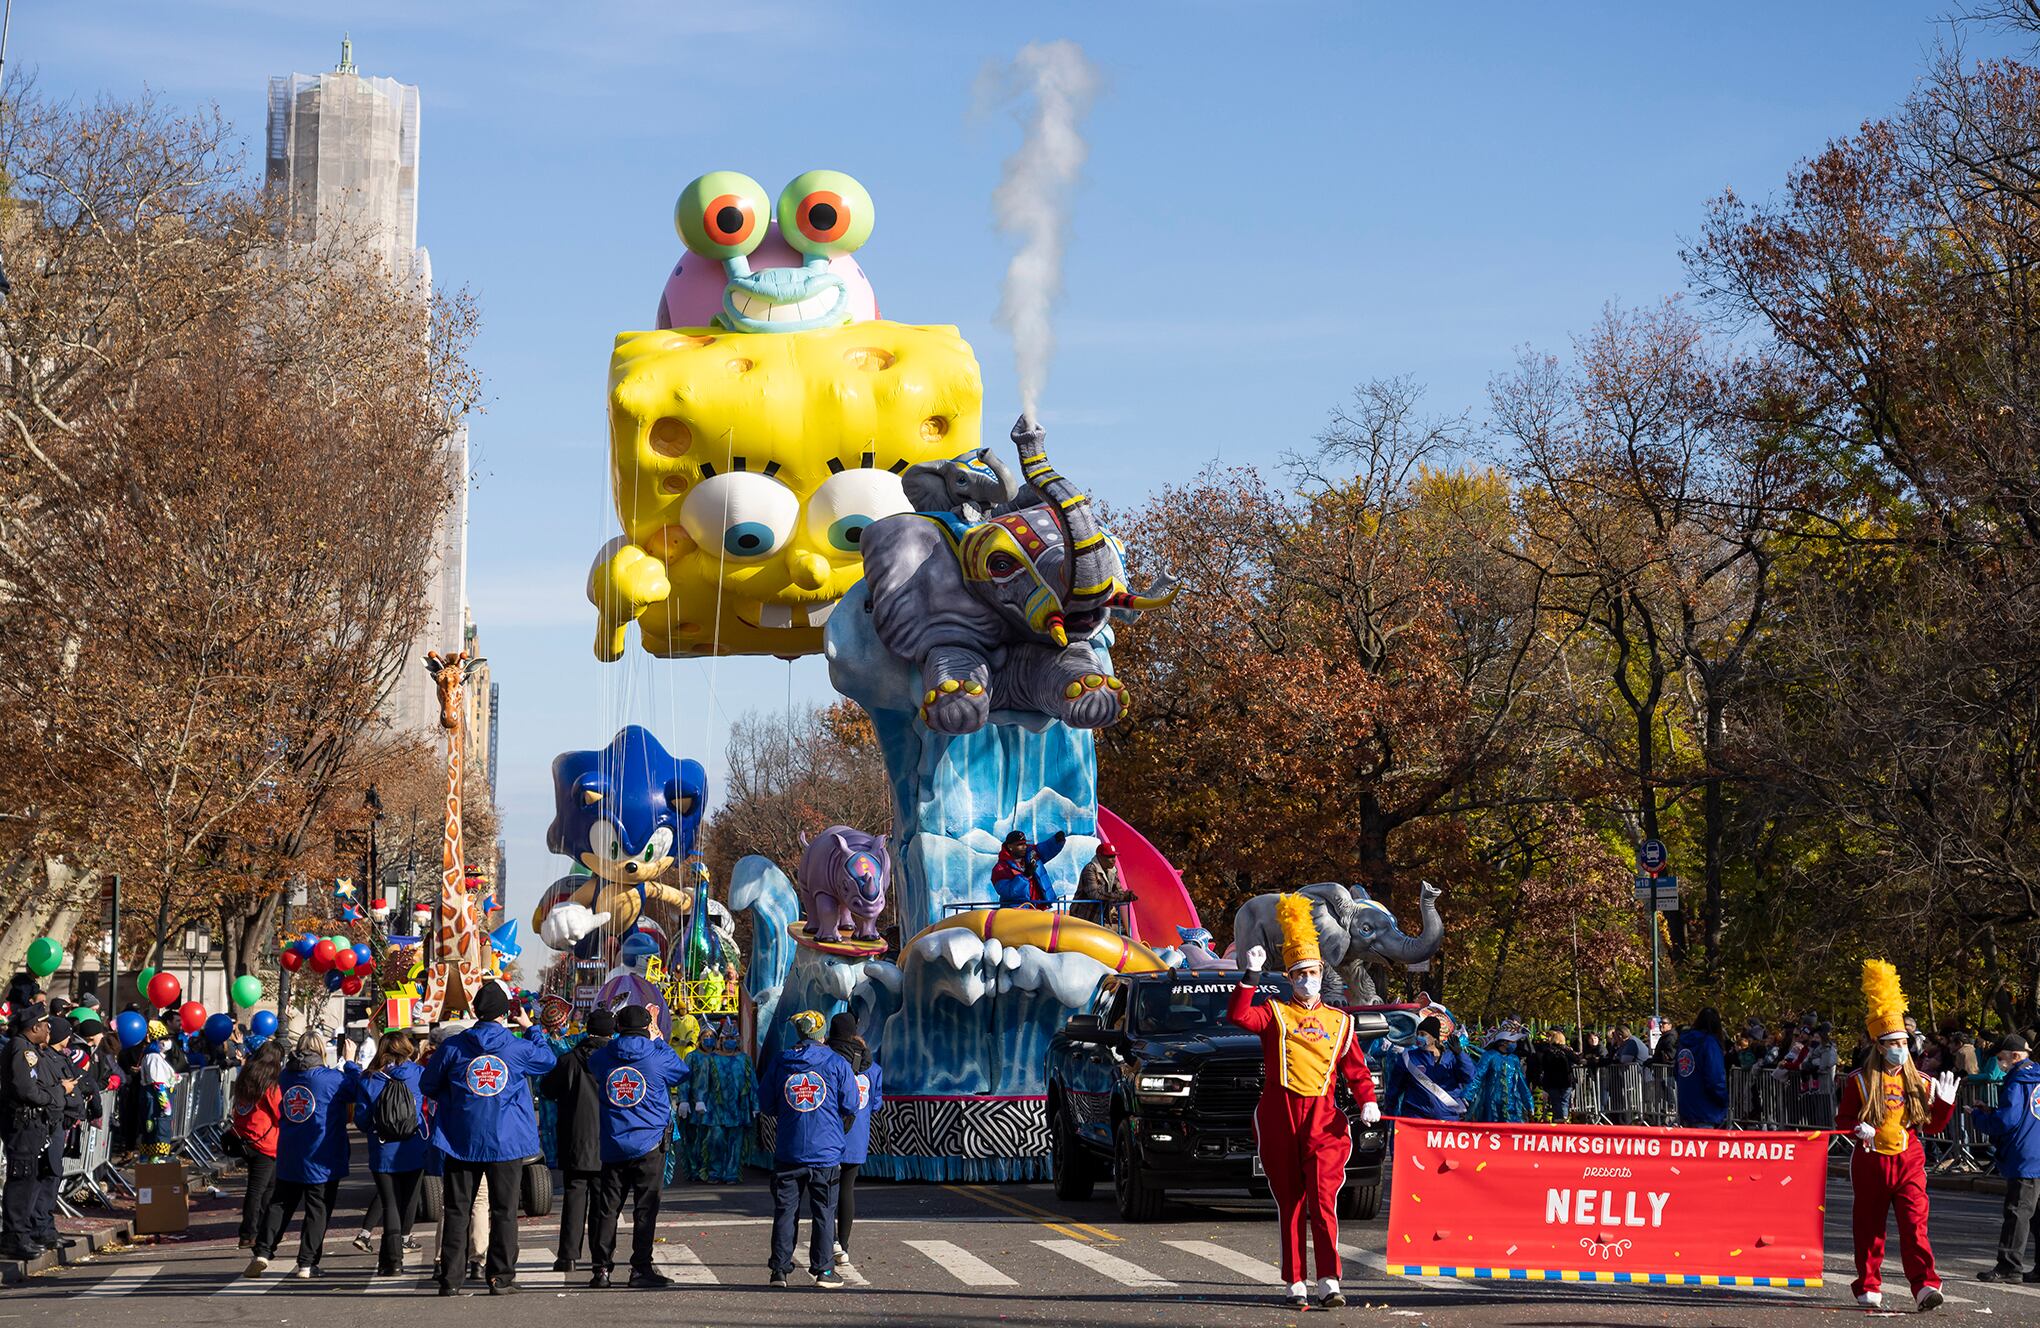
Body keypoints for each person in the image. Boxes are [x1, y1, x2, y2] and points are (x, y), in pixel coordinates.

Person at [1228, 895, 1380, 1310]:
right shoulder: (1274, 1012)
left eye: (1312, 973)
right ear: (1290, 978)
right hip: (1280, 1116)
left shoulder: (1341, 1020)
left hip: (1323, 1117)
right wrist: (1251, 975)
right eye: (1299, 975)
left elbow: (1356, 1068)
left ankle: (1329, 1278)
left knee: (1323, 1198)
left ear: (1321, 974)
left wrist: (1367, 1099)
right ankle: (1295, 1279)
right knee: (1291, 1199)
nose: (1307, 981)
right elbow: (1239, 1017)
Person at [419, 982, 557, 1296]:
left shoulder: (453, 1048)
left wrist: (456, 1095)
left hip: (460, 1139)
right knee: (504, 1211)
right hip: (505, 1141)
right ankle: (500, 1277)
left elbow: (428, 1084)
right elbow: (548, 1060)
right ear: (504, 1014)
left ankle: (450, 1280)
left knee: (456, 1209)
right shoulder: (516, 1047)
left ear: (475, 1012)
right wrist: (530, 1026)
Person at [1837, 960, 1958, 1312]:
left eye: (1903, 1042)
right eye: (1892, 1042)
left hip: (1909, 1160)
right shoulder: (1859, 1080)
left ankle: (1924, 1286)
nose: (1899, 1048)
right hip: (1871, 1160)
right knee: (1869, 1228)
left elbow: (1932, 1127)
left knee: (1915, 1226)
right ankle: (1869, 1284)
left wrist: (1946, 1106)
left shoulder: (1920, 1081)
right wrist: (1857, 1128)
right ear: (1879, 1044)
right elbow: (1844, 1119)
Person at [585, 1004, 689, 1289]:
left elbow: (593, 1066)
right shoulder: (656, 1057)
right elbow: (682, 1071)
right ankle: (640, 1268)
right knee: (645, 1209)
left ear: (618, 1028)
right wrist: (659, 1040)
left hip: (613, 1143)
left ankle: (601, 1270)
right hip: (649, 1144)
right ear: (647, 1028)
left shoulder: (604, 1057)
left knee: (608, 1209)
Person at [760, 1009, 859, 1289]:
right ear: (821, 1034)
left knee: (784, 1211)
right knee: (824, 1212)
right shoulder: (836, 1062)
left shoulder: (781, 1061)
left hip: (788, 1149)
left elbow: (766, 1103)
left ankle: (779, 1270)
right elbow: (851, 1103)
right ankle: (824, 1271)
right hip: (825, 1151)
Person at [246, 1030, 357, 1280]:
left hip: (290, 1151)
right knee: (317, 1209)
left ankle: (263, 1251)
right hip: (322, 1152)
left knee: (280, 1203)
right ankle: (307, 1263)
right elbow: (357, 1089)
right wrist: (350, 1062)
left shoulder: (285, 1077)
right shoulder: (331, 1079)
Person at [540, 1007, 613, 1272]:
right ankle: (599, 1257)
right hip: (609, 1139)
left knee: (574, 1198)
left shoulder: (570, 1060)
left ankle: (568, 1256)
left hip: (575, 1137)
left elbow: (546, 1089)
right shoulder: (615, 1060)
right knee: (603, 1202)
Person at [0, 1003, 75, 1261]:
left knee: (29, 1179)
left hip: (31, 1124)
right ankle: (14, 1236)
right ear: (35, 1027)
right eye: (45, 1025)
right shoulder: (22, 1050)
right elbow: (26, 1090)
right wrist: (54, 1095)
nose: (48, 1029)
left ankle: (23, 1233)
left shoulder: (28, 1049)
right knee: (21, 1180)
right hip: (22, 1122)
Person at [357, 1031, 427, 1275]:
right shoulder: (418, 1075)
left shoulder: (369, 1079)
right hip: (414, 1146)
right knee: (408, 1201)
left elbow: (362, 1120)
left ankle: (393, 1261)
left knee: (390, 1205)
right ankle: (395, 1255)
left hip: (383, 1149)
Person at [1972, 1034, 2040, 1283]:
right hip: (2036, 1150)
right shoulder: (2037, 1076)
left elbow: (2006, 1121)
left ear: (2015, 1056)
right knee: (2036, 1214)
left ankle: (2009, 1266)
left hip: (2024, 1156)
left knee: (2018, 1212)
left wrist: (1980, 1118)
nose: (2000, 1064)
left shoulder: (2017, 1080)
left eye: (2001, 1058)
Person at [827, 1012, 881, 1270]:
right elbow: (876, 1104)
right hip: (857, 1135)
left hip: (827, 1132)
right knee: (847, 1189)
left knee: (825, 1189)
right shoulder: (872, 1067)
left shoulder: (827, 1061)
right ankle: (844, 1245)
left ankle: (828, 1242)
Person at [231, 1040, 284, 1250]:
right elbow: (278, 1112)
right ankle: (249, 1232)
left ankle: (261, 1228)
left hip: (246, 1137)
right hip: (264, 1140)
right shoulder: (269, 1082)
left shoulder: (247, 1074)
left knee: (267, 1186)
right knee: (258, 1189)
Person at [691, 1019, 757, 1184]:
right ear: (721, 1040)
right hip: (716, 1109)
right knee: (715, 1140)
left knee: (736, 1142)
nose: (730, 1042)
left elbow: (753, 1084)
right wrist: (700, 1100)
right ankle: (714, 1171)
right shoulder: (712, 1059)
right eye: (726, 1038)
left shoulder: (744, 1059)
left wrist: (755, 1105)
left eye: (733, 1039)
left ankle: (731, 1173)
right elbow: (702, 1082)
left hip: (738, 1108)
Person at [1383, 1015, 1473, 1121]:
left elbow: (1468, 1076)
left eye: (1423, 1034)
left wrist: (1460, 1055)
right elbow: (1394, 1088)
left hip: (1447, 1117)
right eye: (1417, 1034)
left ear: (1434, 1037)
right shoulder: (1408, 1057)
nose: (1418, 1037)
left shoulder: (1452, 1057)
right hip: (1416, 1118)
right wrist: (1389, 1111)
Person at [1675, 1007, 1730, 1128]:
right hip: (1706, 1108)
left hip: (1687, 1105)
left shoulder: (1684, 1042)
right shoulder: (1710, 1043)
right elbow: (1714, 1077)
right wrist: (1724, 1099)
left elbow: (1677, 1071)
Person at [1466, 1025, 1534, 1123]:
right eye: (1513, 1042)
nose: (1515, 1044)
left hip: (1512, 1104)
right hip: (1491, 1104)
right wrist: (1467, 1096)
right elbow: (1477, 1077)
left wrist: (1529, 1103)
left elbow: (1521, 1083)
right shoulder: (1489, 1056)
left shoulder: (1514, 1059)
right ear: (1503, 1042)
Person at [990, 830, 1066, 908]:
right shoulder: (1000, 868)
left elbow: (1046, 848)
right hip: (1018, 912)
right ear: (1010, 846)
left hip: (1040, 908)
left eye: (1025, 843)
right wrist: (1025, 876)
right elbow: (1008, 892)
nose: (1024, 847)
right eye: (1020, 844)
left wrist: (1056, 841)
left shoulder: (1031, 855)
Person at [1074, 842, 1138, 932]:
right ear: (1099, 857)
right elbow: (1094, 894)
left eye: (1114, 856)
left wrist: (1127, 895)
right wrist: (1121, 897)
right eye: (1109, 857)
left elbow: (1119, 891)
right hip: (1083, 918)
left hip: (1099, 918)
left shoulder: (1112, 870)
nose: (1113, 860)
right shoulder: (1090, 869)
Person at [1531, 1029, 1579, 1120]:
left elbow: (1544, 1066)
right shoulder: (1566, 1050)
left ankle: (1558, 1121)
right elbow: (1577, 1060)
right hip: (1566, 1081)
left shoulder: (1547, 1051)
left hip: (1552, 1082)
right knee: (1564, 1102)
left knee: (1555, 1102)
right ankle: (1564, 1119)